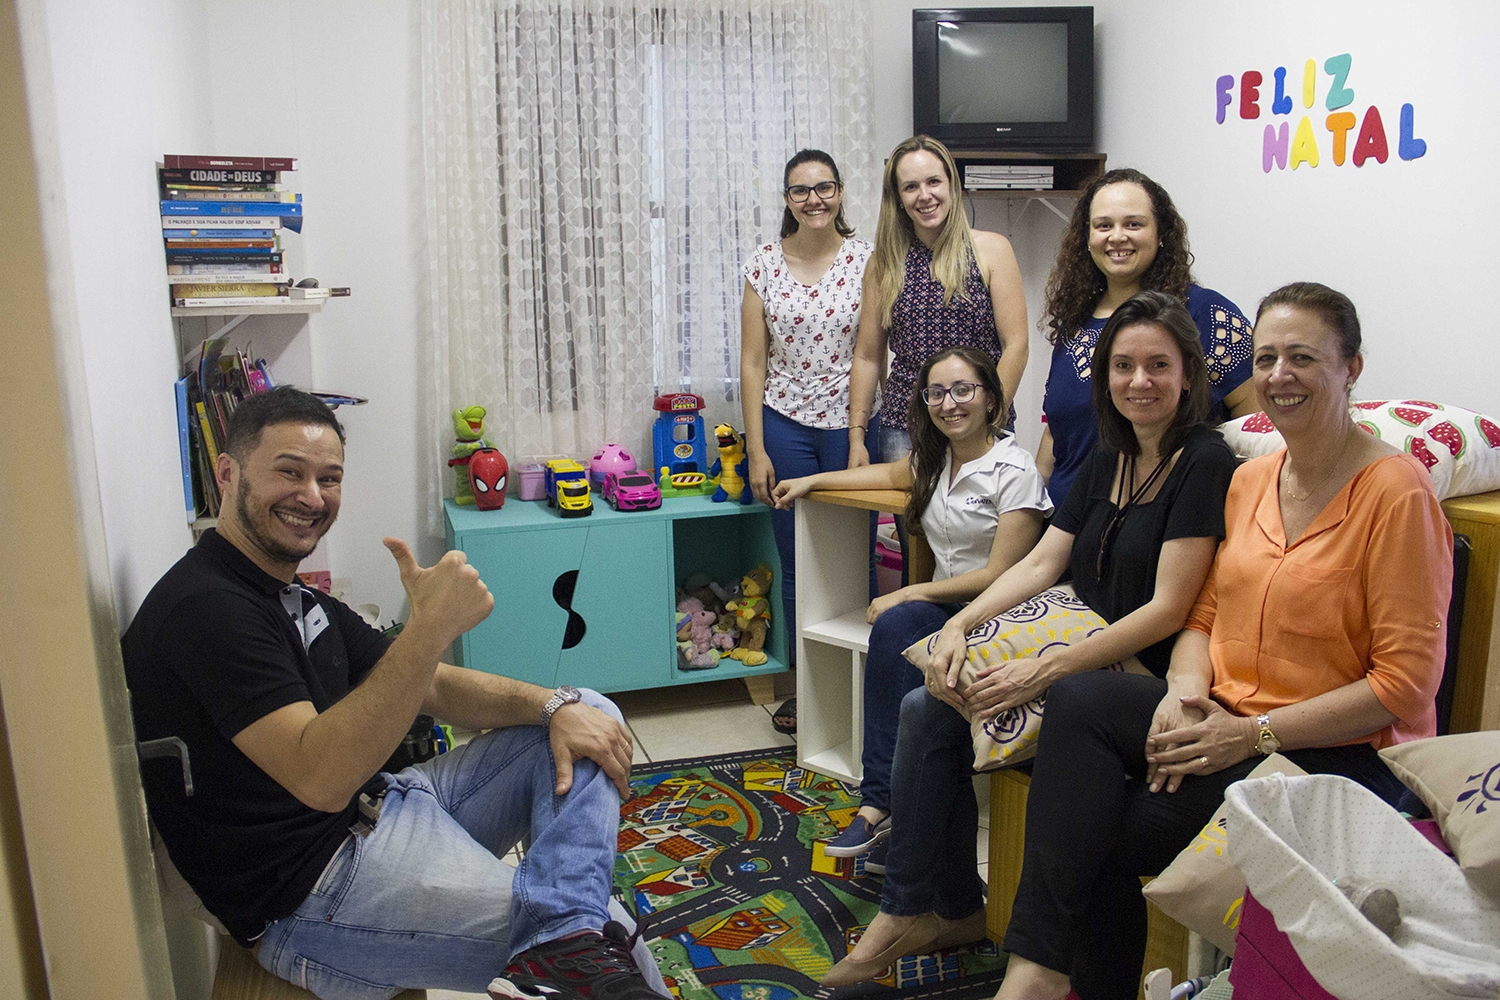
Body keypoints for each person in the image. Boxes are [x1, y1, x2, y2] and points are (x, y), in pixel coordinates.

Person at [124, 388, 667, 1000]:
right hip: (310, 893)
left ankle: (561, 938)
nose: (312, 496)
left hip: (383, 806)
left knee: (586, 710)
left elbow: (428, 682)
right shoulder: (208, 609)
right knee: (614, 933)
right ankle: (568, 940)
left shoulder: (288, 592)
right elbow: (322, 775)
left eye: (329, 478)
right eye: (289, 473)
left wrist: (552, 705)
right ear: (228, 474)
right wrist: (431, 626)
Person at [995, 283, 1453, 1000]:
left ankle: (1048, 977)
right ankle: (1042, 972)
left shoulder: (1397, 494)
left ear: (1351, 368)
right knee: (1080, 697)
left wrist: (1251, 735)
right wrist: (1184, 693)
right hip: (1224, 717)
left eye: (1303, 357)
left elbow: (1403, 688)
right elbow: (1202, 618)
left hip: (1333, 757)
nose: (1278, 375)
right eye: (1266, 357)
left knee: (1102, 836)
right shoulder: (1253, 480)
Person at [820, 291, 1237, 990]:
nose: (1140, 381)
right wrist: (957, 625)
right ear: (1104, 378)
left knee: (940, 711)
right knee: (932, 697)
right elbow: (1043, 563)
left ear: (1188, 375)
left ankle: (934, 912)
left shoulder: (1204, 461)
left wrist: (1040, 672)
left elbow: (1169, 609)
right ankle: (930, 908)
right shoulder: (1111, 456)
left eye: (1158, 366)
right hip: (1073, 643)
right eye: (1124, 366)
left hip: (1141, 676)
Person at [771, 346, 1050, 870]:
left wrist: (908, 590)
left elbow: (1000, 575)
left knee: (898, 613)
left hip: (999, 612)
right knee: (894, 630)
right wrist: (814, 481)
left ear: (991, 398)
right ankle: (879, 804)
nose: (949, 403)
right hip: (947, 606)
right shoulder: (936, 460)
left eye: (963, 390)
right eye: (937, 392)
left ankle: (896, 813)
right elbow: (884, 476)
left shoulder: (1014, 471)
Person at [741, 150, 876, 733]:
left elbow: (872, 353)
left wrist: (859, 432)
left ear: (841, 193)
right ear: (787, 199)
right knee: (797, 561)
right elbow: (751, 362)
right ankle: (806, 689)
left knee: (856, 555)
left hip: (848, 423)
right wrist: (756, 448)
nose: (813, 199)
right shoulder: (763, 264)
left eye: (824, 188)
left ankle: (865, 684)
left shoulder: (868, 259)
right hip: (783, 421)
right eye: (801, 191)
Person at [1039, 167, 1257, 508]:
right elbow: (1056, 436)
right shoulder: (1075, 326)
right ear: (1087, 238)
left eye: (1133, 224)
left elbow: (1257, 430)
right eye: (1104, 225)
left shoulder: (1207, 314)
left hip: (1160, 531)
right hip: (1063, 531)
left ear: (1160, 234)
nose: (1117, 236)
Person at [846, 135, 1028, 467]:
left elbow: (1016, 343)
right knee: (914, 520)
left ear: (951, 186)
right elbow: (868, 356)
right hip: (906, 430)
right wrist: (857, 437)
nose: (925, 195)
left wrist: (989, 419)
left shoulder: (992, 250)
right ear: (898, 197)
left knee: (985, 519)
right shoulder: (883, 263)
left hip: (982, 424)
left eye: (933, 182)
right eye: (911, 187)